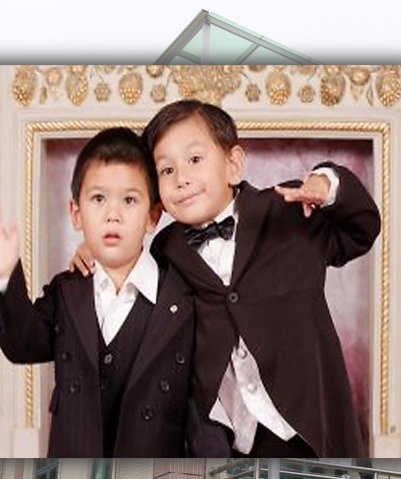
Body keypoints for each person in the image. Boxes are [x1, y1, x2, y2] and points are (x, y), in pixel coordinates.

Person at [79, 100, 381, 458]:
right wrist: (99, 253)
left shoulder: (288, 210)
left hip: (309, 425)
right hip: (227, 436)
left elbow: (361, 229)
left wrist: (328, 183)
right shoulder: (165, 249)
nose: (182, 179)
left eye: (194, 160)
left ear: (233, 164)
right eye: (166, 170)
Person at [0, 127, 197, 458]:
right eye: (98, 198)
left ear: (152, 216)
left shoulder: (181, 298)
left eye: (130, 200)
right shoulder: (68, 290)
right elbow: (22, 344)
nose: (113, 214)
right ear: (76, 214)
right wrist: (5, 274)